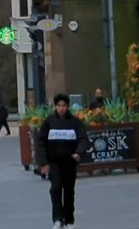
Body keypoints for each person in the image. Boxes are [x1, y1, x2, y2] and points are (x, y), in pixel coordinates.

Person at [37, 92, 89, 229]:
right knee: (55, 188)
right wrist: (43, 163)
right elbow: (41, 142)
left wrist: (79, 152)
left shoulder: (75, 122)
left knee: (69, 191)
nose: (61, 108)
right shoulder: (49, 122)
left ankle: (69, 220)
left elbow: (83, 138)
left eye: (64, 106)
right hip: (54, 161)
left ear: (68, 107)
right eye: (59, 106)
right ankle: (57, 219)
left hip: (69, 162)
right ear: (55, 107)